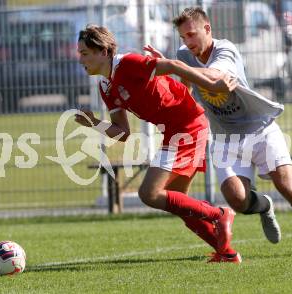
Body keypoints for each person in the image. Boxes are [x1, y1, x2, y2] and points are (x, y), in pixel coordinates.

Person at [144, 7, 292, 255]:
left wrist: (173, 66)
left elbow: (214, 77)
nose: (187, 42)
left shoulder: (226, 50)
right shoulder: (184, 55)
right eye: (183, 37)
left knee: (290, 188)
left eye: (191, 35)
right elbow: (188, 86)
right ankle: (265, 206)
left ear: (207, 29)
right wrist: (173, 75)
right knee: (237, 199)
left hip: (260, 130)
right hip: (225, 138)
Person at [75, 25, 242, 263]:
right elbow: (122, 132)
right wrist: (93, 123)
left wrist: (212, 85)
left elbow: (175, 65)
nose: (80, 59)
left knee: (149, 193)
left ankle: (220, 214)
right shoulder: (105, 86)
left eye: (84, 53)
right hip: (175, 130)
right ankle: (226, 253)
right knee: (179, 203)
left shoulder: (128, 64)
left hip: (187, 126)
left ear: (103, 51)